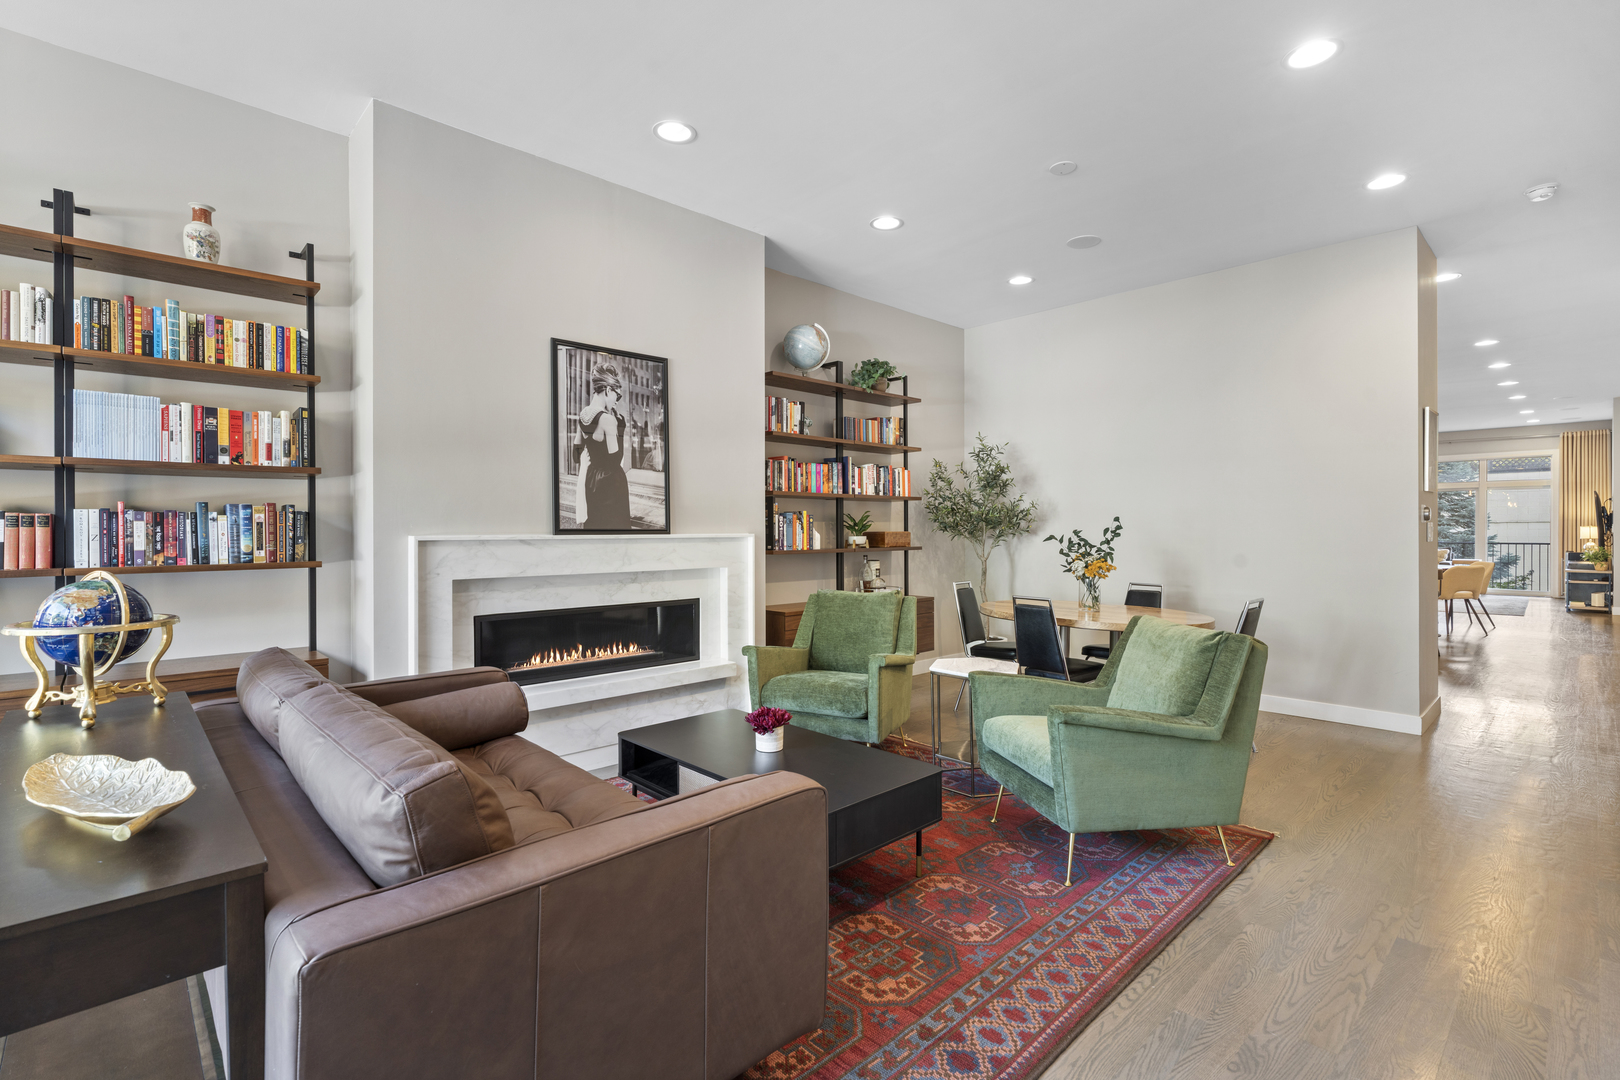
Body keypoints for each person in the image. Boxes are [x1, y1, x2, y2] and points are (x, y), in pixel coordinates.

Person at [575, 362, 632, 530]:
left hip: (592, 480)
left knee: (595, 528)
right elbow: (616, 458)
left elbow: (575, 453)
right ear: (608, 390)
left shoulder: (583, 415)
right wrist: (620, 427)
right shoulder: (608, 419)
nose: (617, 401)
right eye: (618, 396)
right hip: (611, 484)